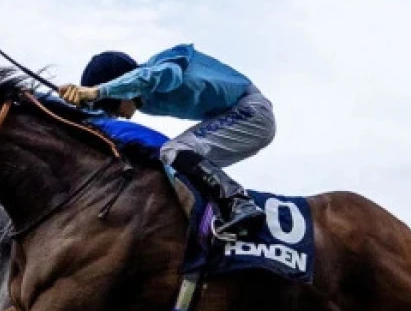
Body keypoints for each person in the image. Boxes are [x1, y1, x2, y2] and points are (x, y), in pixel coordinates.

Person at [59, 45, 275, 239]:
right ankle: (211, 222)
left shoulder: (164, 66)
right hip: (239, 116)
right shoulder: (145, 102)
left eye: (112, 105)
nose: (115, 115)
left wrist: (99, 91)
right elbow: (95, 117)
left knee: (174, 151)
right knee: (175, 167)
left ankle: (239, 204)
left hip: (251, 111)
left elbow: (149, 77)